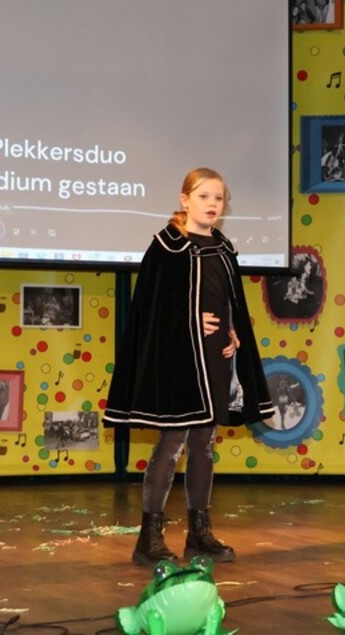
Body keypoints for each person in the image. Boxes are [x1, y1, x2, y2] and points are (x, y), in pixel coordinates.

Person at [104, 167, 277, 566]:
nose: (212, 204)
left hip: (215, 355)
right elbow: (151, 308)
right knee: (172, 442)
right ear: (185, 200)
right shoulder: (167, 247)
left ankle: (199, 532)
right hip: (180, 357)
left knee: (204, 443)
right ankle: (149, 536)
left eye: (218, 198)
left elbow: (228, 298)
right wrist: (189, 320)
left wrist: (232, 331)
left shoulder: (223, 248)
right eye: (204, 196)